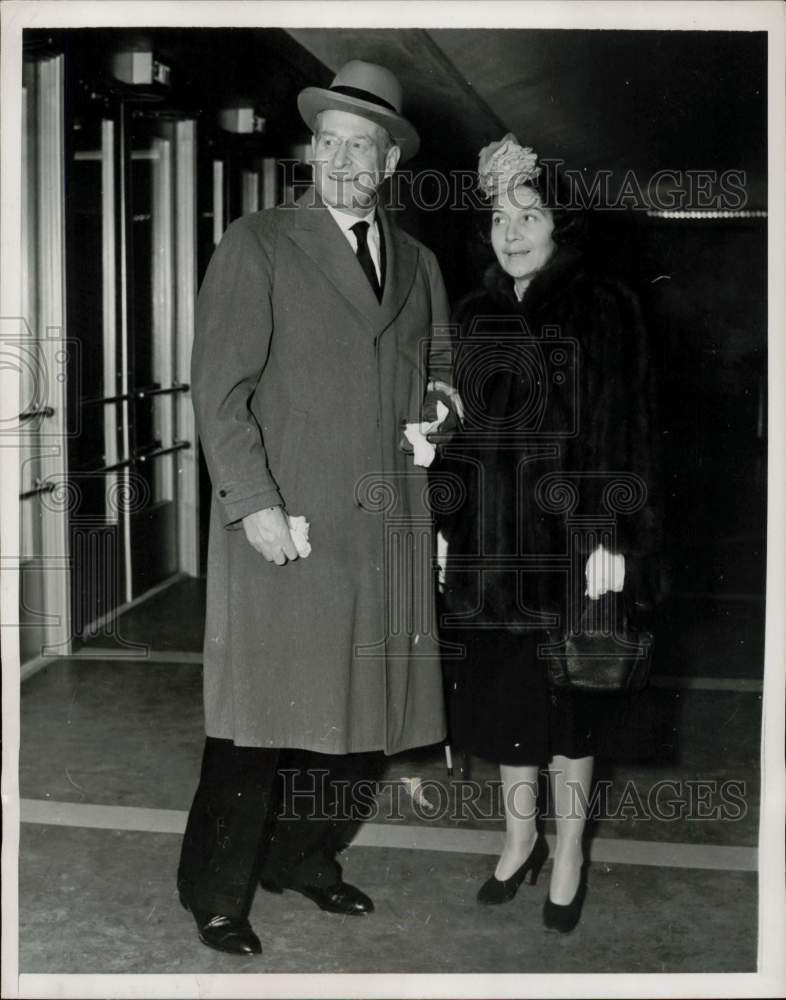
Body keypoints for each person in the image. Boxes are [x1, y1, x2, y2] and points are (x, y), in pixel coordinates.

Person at [177, 60, 457, 956]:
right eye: (328, 143)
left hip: (385, 526)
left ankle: (305, 860)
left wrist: (439, 424)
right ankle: (216, 893)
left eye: (361, 148)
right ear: (311, 151)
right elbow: (220, 391)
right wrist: (254, 505)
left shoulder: (420, 263)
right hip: (287, 524)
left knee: (363, 720)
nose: (342, 161)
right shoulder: (258, 242)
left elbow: (444, 375)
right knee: (261, 719)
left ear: (389, 164)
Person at [435, 135, 659, 932]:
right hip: (491, 550)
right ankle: (518, 838)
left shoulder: (603, 305)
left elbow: (623, 431)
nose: (513, 230)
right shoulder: (475, 312)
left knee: (569, 705)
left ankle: (568, 852)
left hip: (570, 549)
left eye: (530, 213)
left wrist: (611, 537)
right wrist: (443, 514)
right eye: (501, 216)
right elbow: (460, 436)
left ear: (561, 223)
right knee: (505, 709)